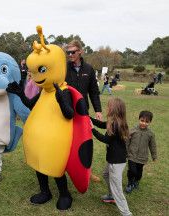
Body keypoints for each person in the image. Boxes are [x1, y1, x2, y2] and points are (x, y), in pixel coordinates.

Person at [65, 39, 102, 182]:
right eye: (68, 52)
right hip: (66, 112)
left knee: (85, 143)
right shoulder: (64, 68)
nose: (70, 55)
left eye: (73, 52)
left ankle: (87, 172)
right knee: (67, 142)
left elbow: (94, 91)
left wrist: (98, 110)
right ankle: (64, 168)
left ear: (80, 51)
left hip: (83, 113)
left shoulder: (89, 69)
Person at [90, 97, 132, 216]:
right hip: (114, 159)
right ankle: (111, 196)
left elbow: (105, 139)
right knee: (106, 174)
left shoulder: (116, 125)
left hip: (116, 161)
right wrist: (88, 118)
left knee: (116, 187)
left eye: (109, 106)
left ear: (114, 109)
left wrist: (92, 129)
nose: (107, 108)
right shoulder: (114, 121)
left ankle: (126, 213)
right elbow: (102, 124)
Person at [125, 111, 157, 193]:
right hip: (131, 155)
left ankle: (136, 181)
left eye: (147, 122)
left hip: (142, 157)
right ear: (139, 119)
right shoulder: (133, 130)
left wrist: (154, 156)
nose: (144, 123)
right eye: (142, 120)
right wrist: (125, 151)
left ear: (150, 122)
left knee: (139, 172)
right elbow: (127, 141)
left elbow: (152, 146)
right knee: (132, 171)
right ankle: (130, 183)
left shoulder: (150, 134)